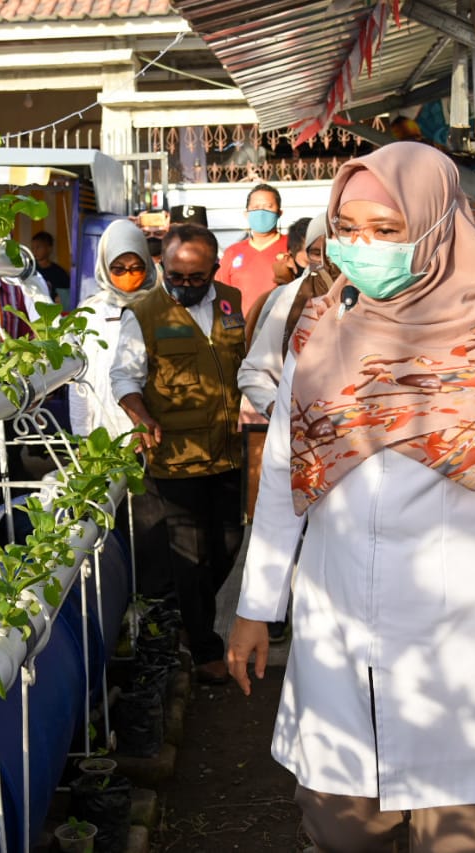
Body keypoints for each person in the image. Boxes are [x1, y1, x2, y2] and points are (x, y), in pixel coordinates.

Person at [226, 142, 475, 852]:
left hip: (467, 633)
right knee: (339, 828)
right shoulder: (321, 330)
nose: (363, 246)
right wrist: (255, 606)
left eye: (386, 229)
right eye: (348, 228)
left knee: (458, 834)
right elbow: (282, 473)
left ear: (436, 226)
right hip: (338, 619)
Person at [110, 223, 248, 684]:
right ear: (162, 267)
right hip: (175, 455)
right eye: (176, 277)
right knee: (192, 555)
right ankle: (205, 645)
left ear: (215, 268)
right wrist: (140, 415)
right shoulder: (142, 313)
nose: (185, 286)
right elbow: (124, 377)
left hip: (228, 450)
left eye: (196, 277)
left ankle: (189, 618)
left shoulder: (230, 301)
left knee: (229, 543)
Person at [70, 219, 172, 599]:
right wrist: (83, 440)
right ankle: (117, 601)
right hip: (102, 441)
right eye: (119, 268)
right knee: (106, 528)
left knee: (150, 528)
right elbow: (78, 385)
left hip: (149, 438)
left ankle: (152, 603)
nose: (128, 276)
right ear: (104, 267)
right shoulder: (88, 313)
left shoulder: (162, 307)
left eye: (135, 267)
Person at [238, 216, 336, 419]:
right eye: (315, 253)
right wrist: (280, 413)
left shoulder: (375, 294)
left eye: (331, 253)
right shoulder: (290, 296)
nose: (325, 261)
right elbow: (255, 368)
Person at [220, 183, 287, 316]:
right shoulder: (232, 253)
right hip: (242, 326)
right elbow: (220, 295)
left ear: (279, 212)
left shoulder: (292, 248)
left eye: (268, 207)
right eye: (255, 207)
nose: (261, 212)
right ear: (246, 214)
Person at [30, 230, 72, 307]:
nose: (35, 251)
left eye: (38, 247)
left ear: (49, 248)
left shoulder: (59, 272)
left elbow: (67, 295)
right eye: (33, 248)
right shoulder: (28, 268)